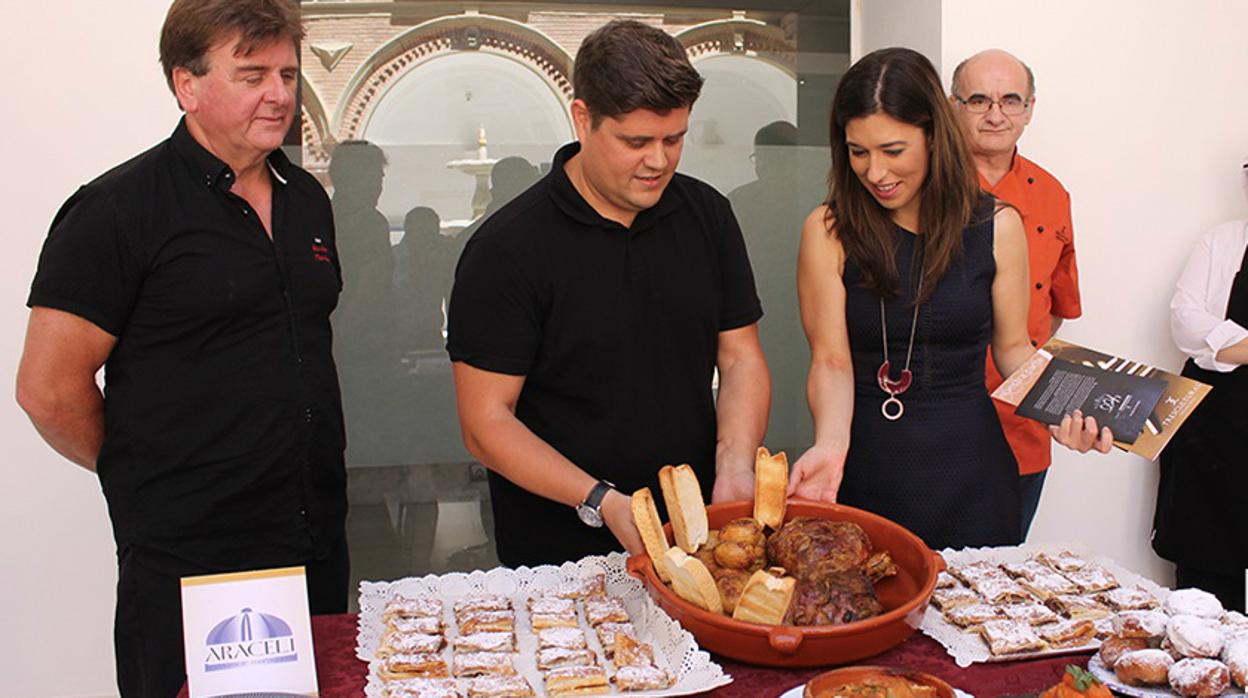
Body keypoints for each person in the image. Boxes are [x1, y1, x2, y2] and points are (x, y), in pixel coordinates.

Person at [14, 1, 347, 694]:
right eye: (252, 74)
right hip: (192, 561)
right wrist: (149, 473)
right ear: (185, 85)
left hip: (313, 543)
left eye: (287, 73)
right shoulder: (115, 212)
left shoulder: (308, 199)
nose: (280, 94)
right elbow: (48, 391)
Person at [447, 19, 771, 567]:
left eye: (675, 139)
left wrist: (735, 465)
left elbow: (740, 359)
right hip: (557, 552)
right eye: (636, 141)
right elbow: (486, 424)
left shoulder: (708, 216)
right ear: (582, 119)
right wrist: (600, 500)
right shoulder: (508, 247)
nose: (659, 161)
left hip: (694, 539)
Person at [789, 47, 1109, 551]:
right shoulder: (828, 230)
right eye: (858, 152)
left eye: (894, 151)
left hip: (972, 473)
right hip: (866, 467)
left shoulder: (997, 225)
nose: (875, 172)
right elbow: (830, 360)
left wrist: (1070, 410)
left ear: (934, 137)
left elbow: (1014, 351)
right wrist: (830, 444)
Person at [950, 49, 1083, 539]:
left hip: (1021, 428)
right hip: (934, 425)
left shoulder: (1052, 194)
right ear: (953, 106)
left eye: (1010, 101)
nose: (995, 114)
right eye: (979, 100)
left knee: (999, 578)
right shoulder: (919, 189)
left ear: (1029, 109)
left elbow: (1055, 309)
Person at [1153, 169, 1248, 612]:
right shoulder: (1222, 241)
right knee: (1201, 596)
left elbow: (1208, 336)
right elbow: (1185, 322)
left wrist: (1228, 345)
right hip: (1210, 437)